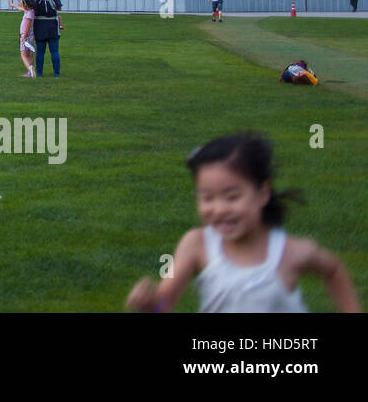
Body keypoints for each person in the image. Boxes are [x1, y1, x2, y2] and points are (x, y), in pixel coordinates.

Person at [126, 132, 360, 313]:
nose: (219, 209)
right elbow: (164, 304)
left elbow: (333, 270)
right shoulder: (196, 245)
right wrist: (149, 303)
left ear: (263, 193)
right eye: (207, 197)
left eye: (232, 196)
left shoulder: (291, 252)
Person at [30, 0, 62, 77]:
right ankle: (56, 73)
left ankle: (39, 73)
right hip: (52, 25)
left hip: (39, 25)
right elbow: (59, 8)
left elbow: (29, 7)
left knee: (40, 52)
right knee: (54, 51)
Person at [10, 0, 36, 77]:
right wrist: (14, 5)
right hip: (30, 36)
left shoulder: (29, 14)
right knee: (29, 54)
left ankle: (30, 69)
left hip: (26, 36)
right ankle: (30, 72)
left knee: (23, 55)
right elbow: (21, 9)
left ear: (26, 6)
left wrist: (24, 37)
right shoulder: (30, 11)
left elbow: (27, 26)